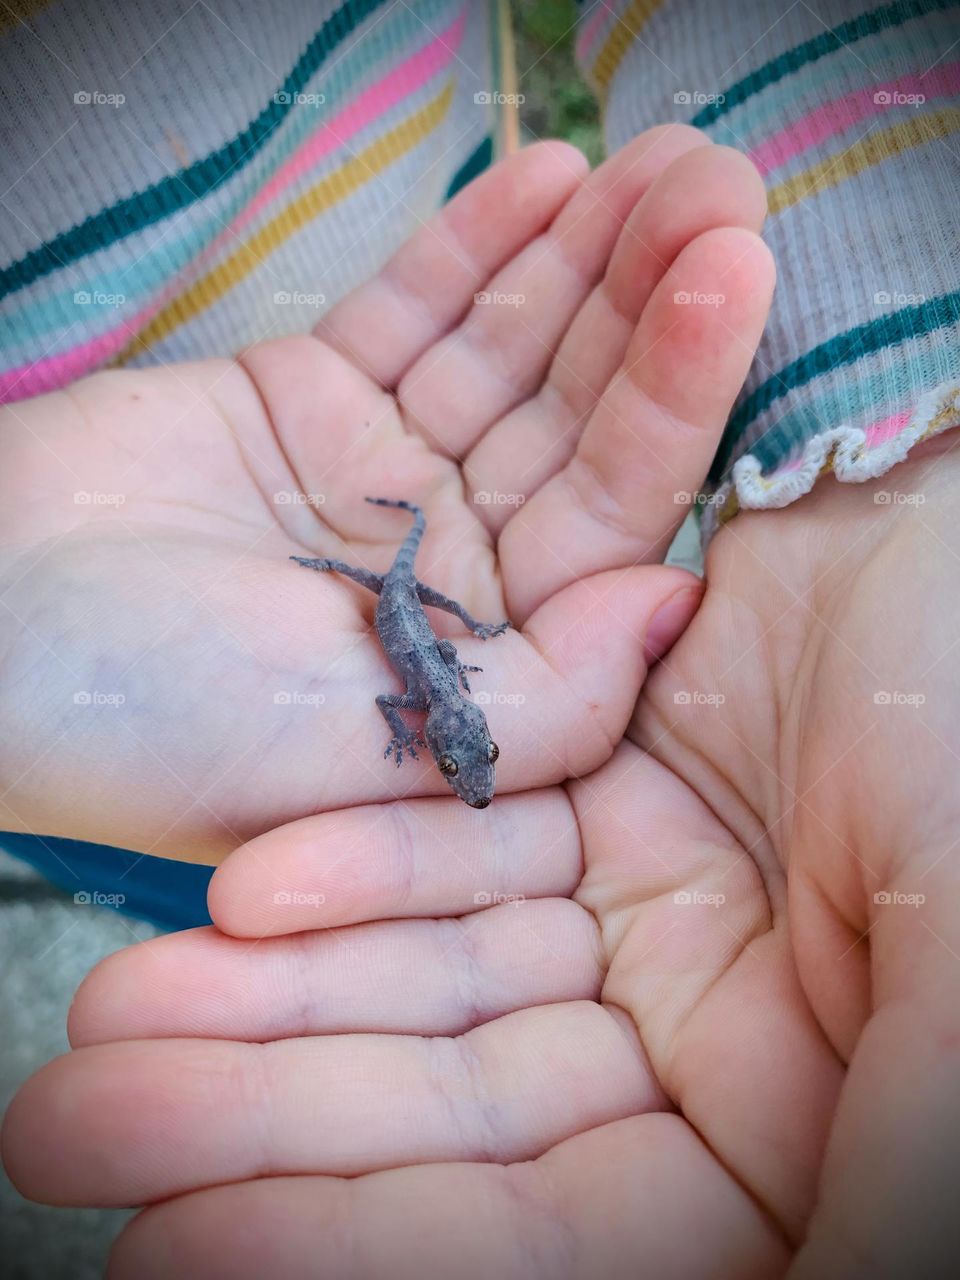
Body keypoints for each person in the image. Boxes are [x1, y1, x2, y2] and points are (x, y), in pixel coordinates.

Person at [2, 0, 959, 1275]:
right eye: (464, 763)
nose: (467, 766)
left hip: (398, 293)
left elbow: (440, 685)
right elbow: (418, 684)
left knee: (269, 871)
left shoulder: (454, 704)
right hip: (323, 599)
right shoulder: (431, 700)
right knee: (242, 846)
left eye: (464, 762)